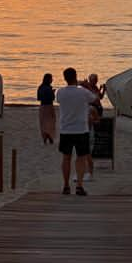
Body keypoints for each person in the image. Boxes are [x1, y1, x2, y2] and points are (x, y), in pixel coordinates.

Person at [56, 67, 97, 196]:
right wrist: (86, 86)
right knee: (81, 158)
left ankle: (66, 185)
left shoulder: (60, 92)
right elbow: (95, 99)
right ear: (76, 76)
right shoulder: (83, 92)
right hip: (81, 129)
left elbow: (58, 100)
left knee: (66, 157)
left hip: (66, 129)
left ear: (64, 78)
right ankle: (79, 185)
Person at [80, 73, 105, 178]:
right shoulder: (88, 88)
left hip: (96, 110)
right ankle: (87, 171)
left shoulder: (94, 87)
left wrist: (103, 90)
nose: (95, 81)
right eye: (93, 79)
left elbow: (100, 97)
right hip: (92, 109)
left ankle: (88, 171)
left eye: (96, 79)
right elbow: (95, 98)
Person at [37, 73, 56, 145]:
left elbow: (38, 98)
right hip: (49, 106)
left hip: (42, 107)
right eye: (51, 78)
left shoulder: (40, 87)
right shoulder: (48, 88)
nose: (52, 80)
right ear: (48, 79)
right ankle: (50, 137)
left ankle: (45, 137)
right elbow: (52, 98)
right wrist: (52, 92)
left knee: (43, 123)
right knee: (51, 122)